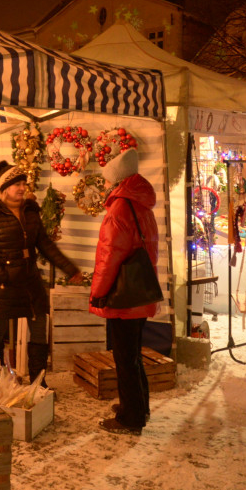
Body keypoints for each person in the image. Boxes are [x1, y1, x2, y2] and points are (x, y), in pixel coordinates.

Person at [0, 160, 83, 383]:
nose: (23, 188)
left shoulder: (30, 211)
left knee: (39, 329)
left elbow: (45, 244)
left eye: (24, 183)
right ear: (4, 187)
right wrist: (2, 273)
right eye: (17, 184)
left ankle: (38, 382)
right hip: (2, 284)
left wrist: (69, 268)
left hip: (30, 281)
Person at [88, 147, 161, 436]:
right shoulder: (141, 205)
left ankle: (131, 419)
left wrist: (97, 293)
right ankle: (138, 406)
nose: (105, 185)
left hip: (122, 296)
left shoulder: (119, 209)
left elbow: (109, 258)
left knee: (124, 358)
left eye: (107, 180)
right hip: (141, 293)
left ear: (117, 181)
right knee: (132, 355)